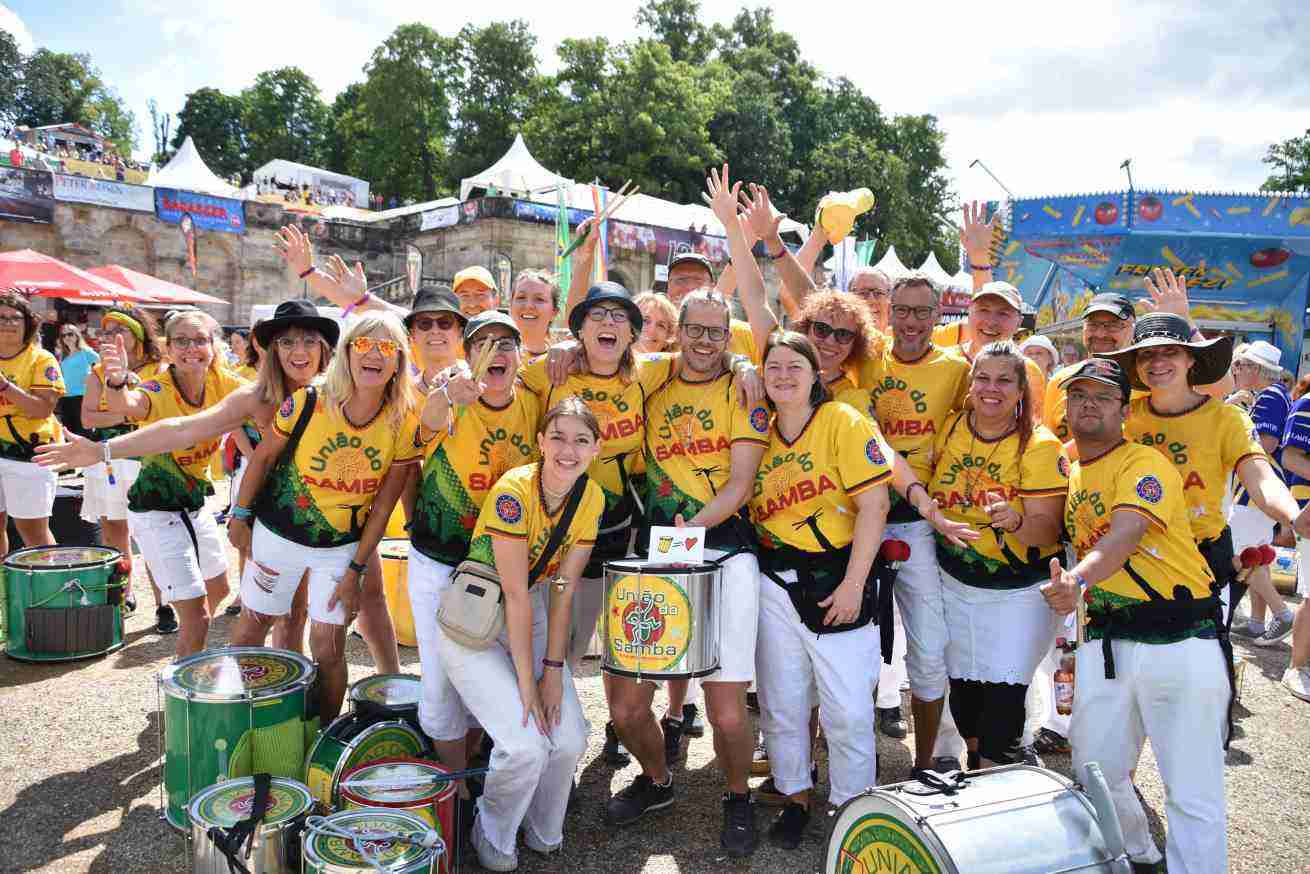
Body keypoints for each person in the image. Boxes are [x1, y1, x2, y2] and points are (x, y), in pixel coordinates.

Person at [1046, 356, 1233, 874]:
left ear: (1123, 411)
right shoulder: (1071, 465)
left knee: (1191, 791)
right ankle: (1140, 856)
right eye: (1079, 394)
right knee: (1094, 767)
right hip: (1108, 642)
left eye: (1104, 397)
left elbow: (1125, 534)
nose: (1089, 404)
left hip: (1180, 639)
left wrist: (1078, 580)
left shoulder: (1144, 464)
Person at [605, 286, 770, 855]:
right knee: (625, 705)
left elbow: (740, 484)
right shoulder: (653, 374)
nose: (705, 341)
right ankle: (657, 782)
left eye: (716, 332)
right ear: (678, 331)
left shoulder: (744, 387)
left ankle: (736, 796)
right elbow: (597, 359)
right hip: (656, 553)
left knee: (726, 710)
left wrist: (687, 532)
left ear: (730, 336)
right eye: (694, 330)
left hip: (723, 548)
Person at [228, 312, 424, 722]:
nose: (374, 355)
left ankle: (321, 734)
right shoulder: (308, 401)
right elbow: (262, 459)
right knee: (251, 630)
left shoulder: (405, 420)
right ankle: (243, 724)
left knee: (328, 648)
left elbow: (383, 507)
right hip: (278, 535)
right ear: (347, 352)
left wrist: (355, 571)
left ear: (399, 361)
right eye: (364, 345)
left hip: (339, 547)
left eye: (387, 347)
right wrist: (240, 515)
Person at [437, 398, 605, 871]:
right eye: (558, 437)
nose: (567, 450)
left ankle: (541, 825)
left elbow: (563, 589)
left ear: (596, 448)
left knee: (568, 736)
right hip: (475, 618)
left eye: (580, 440)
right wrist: (529, 684)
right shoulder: (514, 490)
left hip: (528, 611)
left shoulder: (591, 497)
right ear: (540, 442)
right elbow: (511, 591)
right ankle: (490, 830)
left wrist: (552, 672)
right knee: (526, 742)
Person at [748, 331, 892, 849]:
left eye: (794, 366)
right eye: (773, 368)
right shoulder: (757, 429)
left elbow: (875, 506)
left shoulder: (842, 421)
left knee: (848, 707)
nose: (783, 376)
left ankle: (855, 806)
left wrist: (855, 584)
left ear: (815, 375)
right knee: (783, 701)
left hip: (837, 577)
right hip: (774, 580)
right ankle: (795, 796)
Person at [835, 272, 973, 775]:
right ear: (888, 312)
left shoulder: (957, 368)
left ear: (939, 316)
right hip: (857, 516)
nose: (912, 321)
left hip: (919, 520)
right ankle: (854, 746)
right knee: (854, 639)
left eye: (923, 311)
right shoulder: (867, 359)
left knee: (929, 641)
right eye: (903, 310)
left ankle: (930, 756)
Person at [407, 310, 539, 795]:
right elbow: (425, 426)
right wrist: (446, 395)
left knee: (492, 668)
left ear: (521, 356)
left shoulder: (535, 399)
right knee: (440, 679)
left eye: (507, 344)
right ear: (467, 352)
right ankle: (454, 791)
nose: (496, 353)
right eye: (484, 343)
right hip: (439, 560)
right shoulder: (451, 392)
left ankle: (477, 759)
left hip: (500, 564)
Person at [1105, 297, 1302, 622]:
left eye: (1171, 351)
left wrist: (1294, 518)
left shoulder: (1226, 419)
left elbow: (1261, 478)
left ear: (1190, 360)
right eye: (1147, 354)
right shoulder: (1123, 417)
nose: (1158, 362)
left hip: (1202, 555)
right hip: (1131, 553)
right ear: (1137, 365)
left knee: (1199, 657)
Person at [927, 341, 1068, 769]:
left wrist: (1016, 522)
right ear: (969, 386)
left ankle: (994, 780)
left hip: (1016, 593)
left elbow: (1050, 527)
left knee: (1002, 699)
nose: (993, 388)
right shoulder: (950, 427)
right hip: (952, 582)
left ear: (1023, 389)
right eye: (983, 378)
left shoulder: (1040, 445)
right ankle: (978, 767)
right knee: (964, 692)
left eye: (1005, 380)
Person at [103, 310, 244, 658]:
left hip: (195, 504)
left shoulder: (224, 382)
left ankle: (190, 646)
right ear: (168, 348)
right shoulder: (156, 387)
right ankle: (185, 696)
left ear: (214, 346)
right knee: (196, 617)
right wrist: (118, 382)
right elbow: (130, 405)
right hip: (155, 509)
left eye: (200, 340)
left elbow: (267, 396)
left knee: (219, 587)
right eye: (181, 340)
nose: (191, 348)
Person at [77, 306, 166, 624]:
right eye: (106, 330)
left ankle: (164, 602)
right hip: (109, 459)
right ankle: (123, 594)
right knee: (115, 530)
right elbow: (88, 417)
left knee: (154, 532)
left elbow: (165, 415)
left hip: (149, 459)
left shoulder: (160, 368)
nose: (111, 337)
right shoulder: (97, 372)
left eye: (121, 330)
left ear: (139, 335)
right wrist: (132, 411)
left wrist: (119, 411)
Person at [1227, 340, 1297, 645]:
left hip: (1252, 491)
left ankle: (1282, 614)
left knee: (1245, 556)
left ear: (1256, 369)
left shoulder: (1269, 396)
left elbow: (1264, 444)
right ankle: (1257, 622)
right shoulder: (1273, 394)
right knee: (1259, 556)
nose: (1237, 369)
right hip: (1256, 490)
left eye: (1242, 365)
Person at [0, 288, 64, 554]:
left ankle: (53, 591)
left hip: (27, 454)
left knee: (32, 530)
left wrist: (5, 387)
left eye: (16, 318)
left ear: (28, 323)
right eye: (2, 318)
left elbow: (42, 409)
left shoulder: (41, 358)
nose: (9, 323)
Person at [54, 323, 98, 438]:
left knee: (83, 431)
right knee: (68, 432)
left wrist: (92, 375)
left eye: (70, 334)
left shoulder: (85, 352)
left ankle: (87, 455)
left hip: (82, 396)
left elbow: (102, 364)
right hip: (65, 397)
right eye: (63, 335)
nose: (67, 338)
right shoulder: (63, 355)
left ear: (77, 336)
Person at [508, 270, 560, 359]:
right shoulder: (492, 354)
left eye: (539, 299)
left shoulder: (562, 361)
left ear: (554, 312)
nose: (529, 306)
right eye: (521, 297)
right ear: (510, 306)